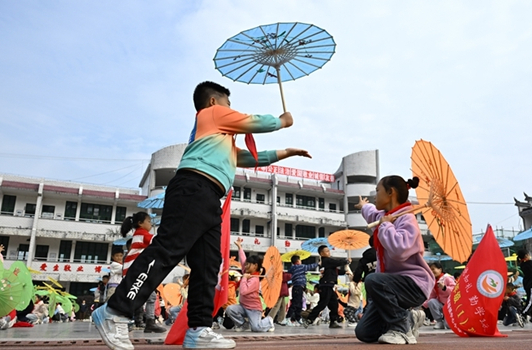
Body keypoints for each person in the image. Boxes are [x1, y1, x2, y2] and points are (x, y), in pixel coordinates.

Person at [93, 81, 310, 350]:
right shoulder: (210, 114)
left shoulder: (221, 139)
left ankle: (198, 328)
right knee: (167, 250)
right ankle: (115, 311)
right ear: (213, 102)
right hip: (193, 187)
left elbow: (248, 157)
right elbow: (253, 121)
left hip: (209, 196)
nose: (230, 110)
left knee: (209, 266)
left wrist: (284, 153)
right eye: (228, 104)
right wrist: (281, 121)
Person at [354, 176, 434, 345]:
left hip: (413, 285)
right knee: (364, 333)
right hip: (391, 286)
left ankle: (401, 329)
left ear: (390, 192)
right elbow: (371, 213)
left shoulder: (407, 219)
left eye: (377, 191)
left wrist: (385, 226)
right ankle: (410, 319)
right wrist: (363, 206)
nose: (375, 195)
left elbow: (400, 250)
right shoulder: (384, 216)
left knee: (372, 280)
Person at [119, 212, 166, 334]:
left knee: (149, 296)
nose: (150, 224)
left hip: (135, 270)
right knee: (142, 296)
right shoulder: (142, 234)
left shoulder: (138, 234)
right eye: (149, 221)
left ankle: (148, 321)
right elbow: (158, 242)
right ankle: (144, 321)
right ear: (140, 223)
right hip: (136, 270)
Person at [226, 239, 275, 332]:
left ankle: (268, 321)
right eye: (246, 264)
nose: (246, 266)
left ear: (255, 266)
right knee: (229, 309)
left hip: (254, 309)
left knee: (256, 328)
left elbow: (243, 291)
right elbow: (243, 259)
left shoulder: (255, 280)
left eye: (248, 264)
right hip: (243, 307)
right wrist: (240, 247)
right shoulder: (247, 272)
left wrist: (244, 278)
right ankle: (243, 325)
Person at [303, 245, 350, 329]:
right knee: (323, 303)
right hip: (326, 285)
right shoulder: (326, 261)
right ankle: (309, 319)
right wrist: (346, 261)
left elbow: (335, 271)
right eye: (327, 251)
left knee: (334, 304)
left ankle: (333, 321)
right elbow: (336, 262)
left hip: (329, 285)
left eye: (329, 251)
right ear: (321, 253)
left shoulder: (328, 263)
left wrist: (344, 272)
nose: (329, 252)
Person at [285, 255, 318, 326]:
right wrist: (318, 263)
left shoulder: (292, 268)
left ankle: (298, 318)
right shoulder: (301, 267)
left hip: (297, 287)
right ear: (298, 261)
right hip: (298, 287)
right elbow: (310, 266)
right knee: (295, 303)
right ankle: (288, 318)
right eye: (300, 260)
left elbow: (288, 272)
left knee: (299, 303)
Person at [422, 262, 455, 329]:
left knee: (448, 326)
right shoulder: (434, 281)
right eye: (430, 270)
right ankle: (439, 322)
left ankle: (448, 319)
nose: (431, 271)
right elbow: (431, 296)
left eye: (433, 269)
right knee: (431, 302)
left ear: (440, 269)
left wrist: (444, 288)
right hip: (441, 303)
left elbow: (455, 290)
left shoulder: (447, 278)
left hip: (450, 305)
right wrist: (423, 306)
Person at [517, 249, 532, 320]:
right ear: (526, 255)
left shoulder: (524, 264)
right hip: (530, 284)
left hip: (527, 283)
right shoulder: (528, 263)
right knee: (530, 301)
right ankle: (522, 313)